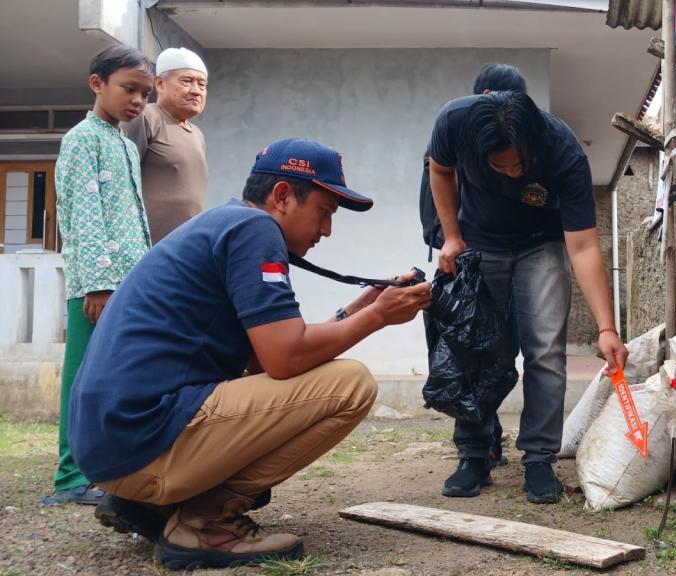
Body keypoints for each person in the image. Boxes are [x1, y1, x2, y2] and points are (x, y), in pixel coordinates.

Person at [69, 138, 431, 569]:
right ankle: (202, 522)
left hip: (115, 441)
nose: (327, 230)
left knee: (316, 379)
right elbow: (285, 360)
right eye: (324, 211)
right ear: (282, 196)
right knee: (350, 384)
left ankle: (151, 504)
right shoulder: (255, 230)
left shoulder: (228, 224)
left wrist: (359, 308)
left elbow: (268, 362)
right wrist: (377, 319)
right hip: (141, 437)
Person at [428, 91, 629, 503]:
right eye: (500, 165)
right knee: (473, 349)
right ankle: (474, 454)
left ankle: (539, 460)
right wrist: (451, 235)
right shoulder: (454, 122)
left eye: (520, 162)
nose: (513, 171)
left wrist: (607, 328)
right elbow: (439, 168)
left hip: (542, 244)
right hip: (479, 244)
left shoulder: (563, 151)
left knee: (546, 352)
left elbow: (584, 247)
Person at [43, 44, 154, 506]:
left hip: (129, 284)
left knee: (115, 379)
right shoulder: (81, 139)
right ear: (97, 84)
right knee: (84, 380)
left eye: (145, 94)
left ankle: (107, 468)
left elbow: (133, 218)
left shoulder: (125, 145)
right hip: (98, 287)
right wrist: (98, 284)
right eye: (129, 89)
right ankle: (70, 478)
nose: (137, 101)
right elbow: (84, 216)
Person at [420, 63, 528, 472]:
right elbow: (435, 196)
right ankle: (474, 449)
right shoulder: (453, 134)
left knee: (502, 352)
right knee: (465, 353)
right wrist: (449, 240)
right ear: (487, 99)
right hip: (463, 263)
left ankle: (490, 440)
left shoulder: (515, 145)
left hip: (505, 257)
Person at [124, 47, 209, 243]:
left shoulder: (197, 134)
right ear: (160, 83)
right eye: (187, 81)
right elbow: (119, 179)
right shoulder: (145, 117)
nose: (196, 91)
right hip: (148, 249)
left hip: (186, 248)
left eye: (202, 84)